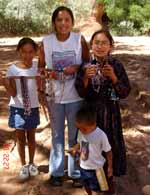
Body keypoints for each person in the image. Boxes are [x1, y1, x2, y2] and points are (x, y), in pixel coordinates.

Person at [38, 6, 89, 186]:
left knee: (76, 136)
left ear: (72, 22)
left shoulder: (79, 40)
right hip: (54, 97)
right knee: (57, 135)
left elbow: (87, 63)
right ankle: (57, 172)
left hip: (75, 96)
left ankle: (76, 173)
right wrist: (44, 83)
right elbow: (40, 69)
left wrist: (75, 68)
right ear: (54, 23)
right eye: (59, 20)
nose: (63, 23)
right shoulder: (46, 42)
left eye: (67, 19)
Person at [75, 29, 131, 187]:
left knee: (108, 147)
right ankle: (88, 180)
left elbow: (125, 92)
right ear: (91, 45)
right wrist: (86, 77)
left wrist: (113, 77)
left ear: (111, 46)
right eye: (96, 43)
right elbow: (81, 92)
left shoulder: (116, 65)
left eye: (104, 43)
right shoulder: (85, 66)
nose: (100, 46)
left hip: (110, 114)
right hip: (90, 115)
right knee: (87, 146)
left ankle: (107, 180)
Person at [0, 38, 40, 180]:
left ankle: (31, 163)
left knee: (32, 137)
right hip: (18, 109)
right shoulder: (12, 69)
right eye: (24, 52)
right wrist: (5, 82)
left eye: (30, 52)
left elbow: (41, 86)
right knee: (21, 138)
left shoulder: (37, 68)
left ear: (35, 53)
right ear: (19, 52)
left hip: (33, 108)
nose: (27, 55)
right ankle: (23, 165)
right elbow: (13, 93)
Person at [67, 106, 113, 195]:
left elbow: (108, 151)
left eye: (84, 129)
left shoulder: (101, 135)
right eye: (79, 128)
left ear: (94, 124)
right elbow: (80, 143)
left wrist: (110, 166)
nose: (81, 131)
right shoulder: (81, 132)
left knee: (97, 190)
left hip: (97, 169)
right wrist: (74, 149)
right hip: (83, 167)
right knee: (86, 186)